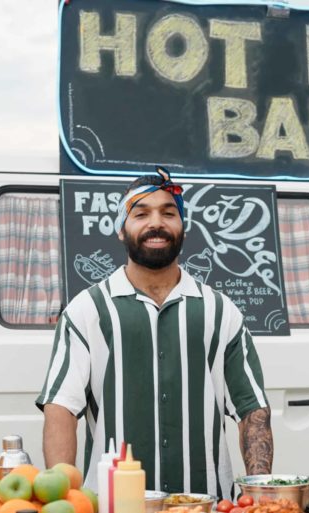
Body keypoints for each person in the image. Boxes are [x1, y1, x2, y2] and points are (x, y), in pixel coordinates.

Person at [37, 168, 273, 499]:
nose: (156, 223)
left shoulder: (221, 311)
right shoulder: (86, 310)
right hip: (112, 503)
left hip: (206, 504)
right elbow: (60, 408)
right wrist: (62, 501)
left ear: (183, 227)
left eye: (168, 212)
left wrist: (259, 496)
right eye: (141, 213)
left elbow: (253, 409)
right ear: (122, 229)